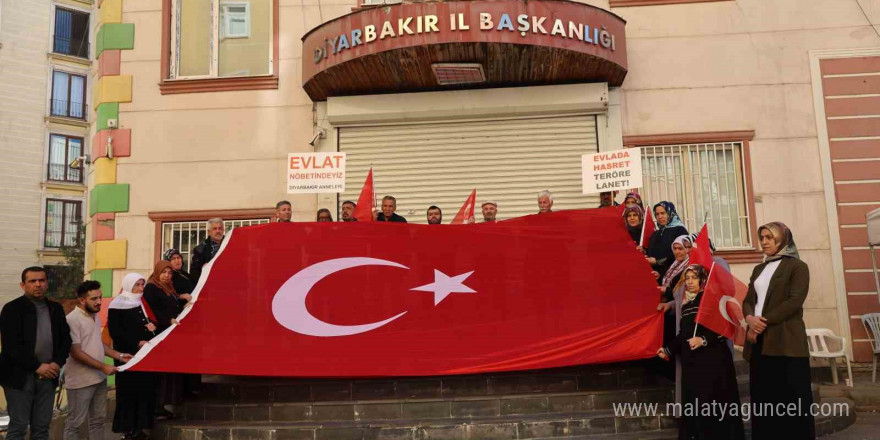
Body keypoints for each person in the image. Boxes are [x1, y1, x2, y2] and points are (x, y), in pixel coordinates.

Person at [743, 222, 815, 440]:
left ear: (782, 239)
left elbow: (794, 301)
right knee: (764, 397)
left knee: (791, 398)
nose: (764, 242)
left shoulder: (797, 266)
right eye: (762, 237)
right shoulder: (759, 268)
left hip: (786, 343)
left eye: (769, 238)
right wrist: (749, 318)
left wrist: (761, 322)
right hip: (760, 342)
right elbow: (748, 300)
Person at [658, 264, 744, 440]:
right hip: (694, 363)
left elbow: (724, 329)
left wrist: (703, 340)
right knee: (696, 404)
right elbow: (684, 334)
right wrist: (667, 349)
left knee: (713, 403)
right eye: (687, 278)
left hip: (713, 363)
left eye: (694, 278)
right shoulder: (687, 304)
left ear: (702, 280)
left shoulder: (711, 299)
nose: (689, 282)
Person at [0, 267, 71, 440]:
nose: (38, 284)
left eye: (42, 280)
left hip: (48, 376)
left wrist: (56, 363)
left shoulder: (55, 308)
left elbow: (66, 340)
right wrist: (37, 366)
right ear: (23, 285)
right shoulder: (12, 309)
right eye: (32, 281)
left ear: (47, 283)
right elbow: (11, 347)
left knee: (41, 428)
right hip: (19, 377)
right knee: (19, 426)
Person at [63, 281, 131, 440]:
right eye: (94, 299)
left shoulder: (94, 316)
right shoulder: (72, 320)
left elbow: (98, 344)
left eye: (100, 297)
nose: (99, 302)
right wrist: (103, 367)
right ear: (81, 300)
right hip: (80, 382)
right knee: (74, 423)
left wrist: (119, 355)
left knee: (98, 421)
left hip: (99, 379)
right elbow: (76, 352)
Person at [109, 273, 158, 440]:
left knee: (143, 391)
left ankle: (140, 426)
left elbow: (149, 325)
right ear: (129, 285)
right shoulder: (117, 304)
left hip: (144, 356)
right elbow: (116, 332)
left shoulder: (141, 303)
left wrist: (152, 327)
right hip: (127, 356)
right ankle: (128, 429)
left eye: (142, 285)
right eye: (137, 285)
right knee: (128, 392)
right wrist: (136, 342)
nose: (140, 288)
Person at [143, 261, 191, 419]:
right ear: (157, 272)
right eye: (163, 272)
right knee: (160, 372)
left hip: (170, 333)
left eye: (169, 273)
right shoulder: (151, 288)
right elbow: (152, 311)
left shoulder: (169, 288)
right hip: (160, 334)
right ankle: (157, 407)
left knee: (168, 371)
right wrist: (168, 320)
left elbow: (172, 306)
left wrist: (182, 305)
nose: (167, 276)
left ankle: (163, 405)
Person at [646, 201, 689, 281]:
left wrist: (657, 261)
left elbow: (682, 254)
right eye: (657, 214)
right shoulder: (656, 233)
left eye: (663, 213)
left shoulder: (680, 230)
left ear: (670, 213)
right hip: (654, 275)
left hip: (673, 276)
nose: (660, 217)